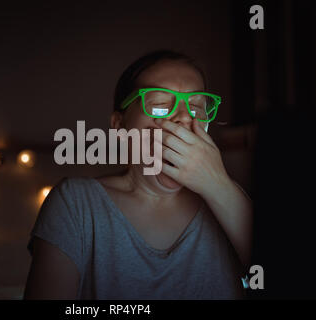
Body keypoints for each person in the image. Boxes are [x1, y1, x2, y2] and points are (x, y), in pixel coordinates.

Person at [24, 50, 253, 299]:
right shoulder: (77, 203)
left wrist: (218, 185)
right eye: (160, 106)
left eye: (196, 108)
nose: (184, 119)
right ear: (120, 126)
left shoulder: (231, 202)